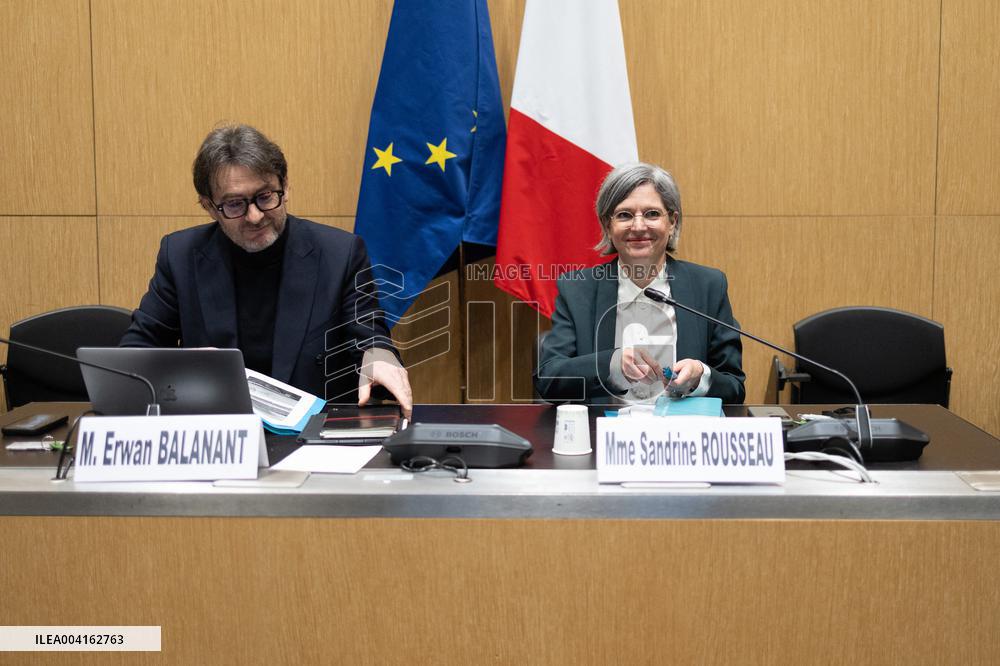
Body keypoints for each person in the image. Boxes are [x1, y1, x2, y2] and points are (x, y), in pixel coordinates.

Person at [120, 124, 412, 417]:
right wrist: (182, 367)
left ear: (285, 186)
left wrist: (380, 358)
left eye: (265, 196)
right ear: (209, 206)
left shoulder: (341, 254)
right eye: (235, 204)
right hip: (217, 434)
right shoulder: (180, 255)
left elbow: (370, 337)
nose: (255, 216)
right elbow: (137, 350)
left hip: (310, 437)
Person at [534, 162, 745, 405]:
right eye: (624, 215)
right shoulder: (578, 289)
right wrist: (612, 365)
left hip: (682, 437)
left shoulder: (708, 286)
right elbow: (548, 378)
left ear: (672, 221)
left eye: (652, 214)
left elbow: (734, 387)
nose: (638, 226)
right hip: (605, 437)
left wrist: (701, 376)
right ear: (607, 225)